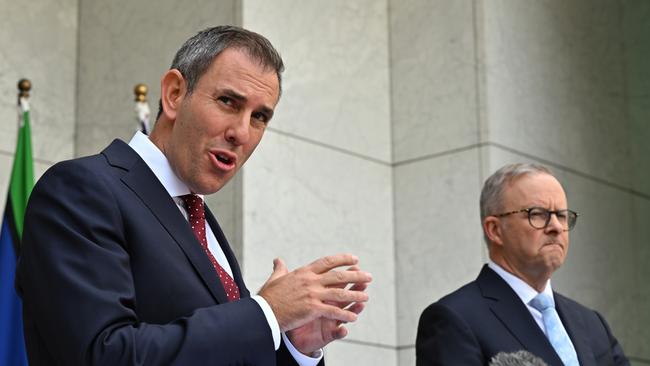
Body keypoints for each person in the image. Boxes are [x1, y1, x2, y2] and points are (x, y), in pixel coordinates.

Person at [15, 26, 372, 366]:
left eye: (260, 116)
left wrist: (293, 346)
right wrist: (266, 312)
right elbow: (104, 355)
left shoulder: (195, 215)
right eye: (229, 101)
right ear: (173, 94)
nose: (242, 133)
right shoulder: (81, 190)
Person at [416, 163, 629, 366]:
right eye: (537, 214)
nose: (555, 226)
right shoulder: (454, 318)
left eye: (562, 216)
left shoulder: (592, 324)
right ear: (495, 230)